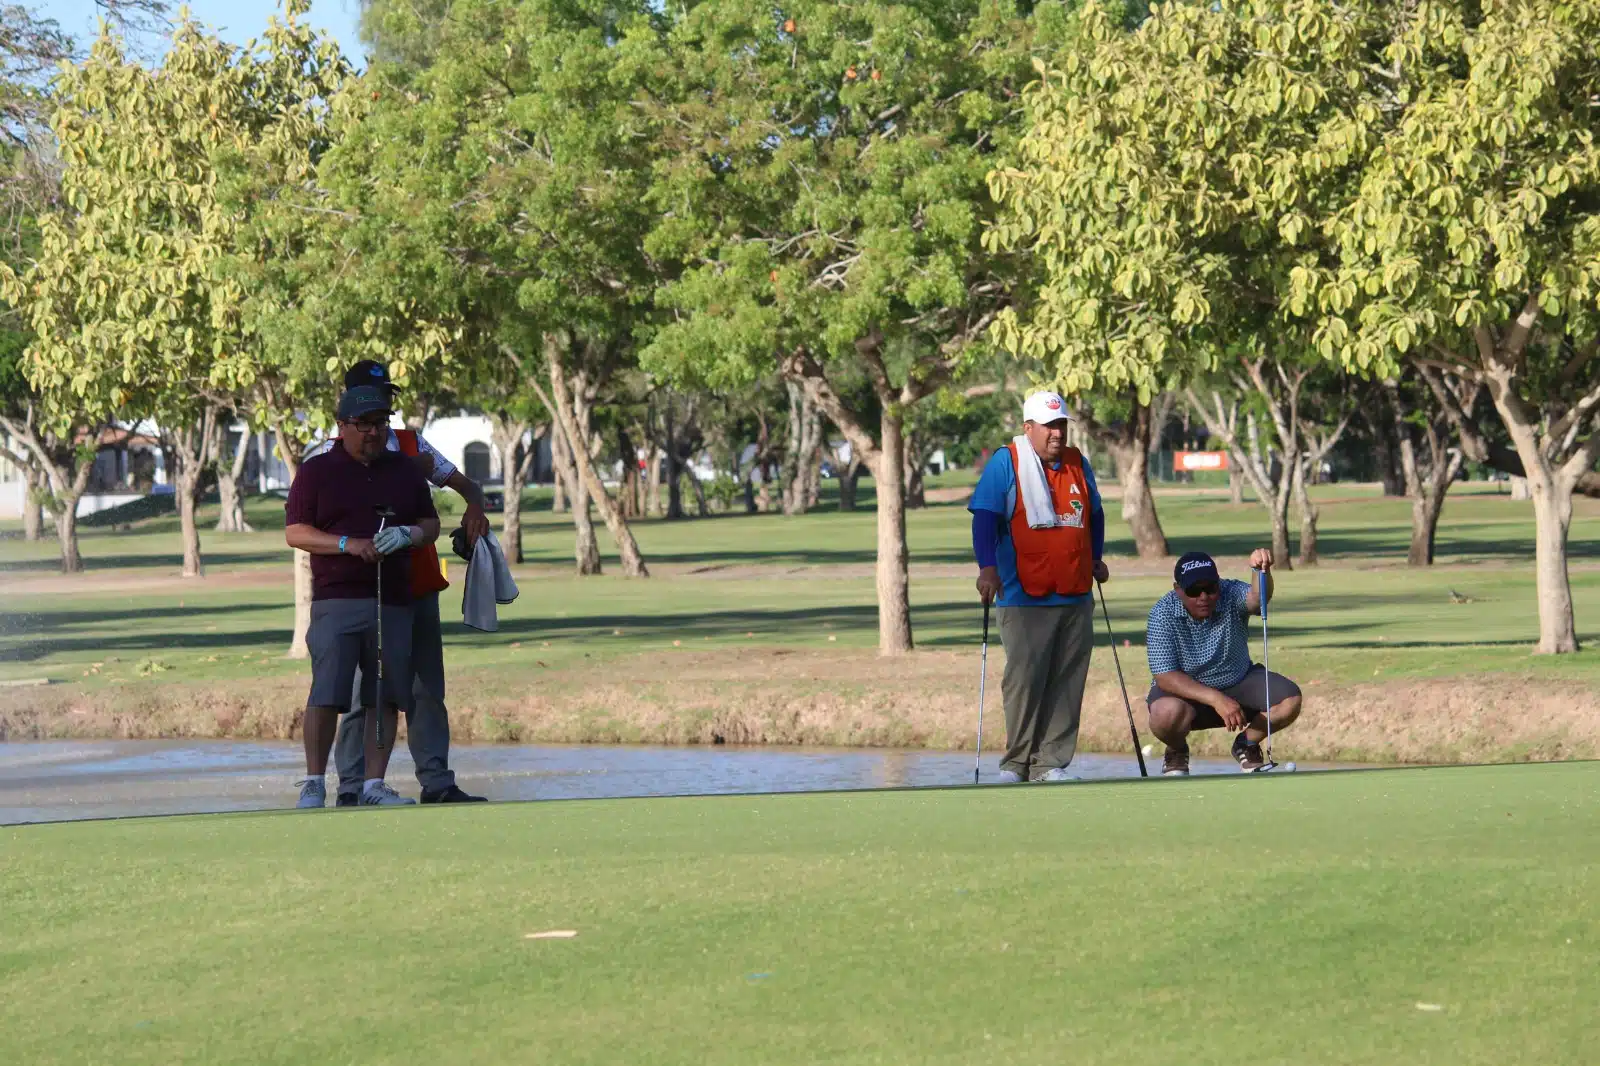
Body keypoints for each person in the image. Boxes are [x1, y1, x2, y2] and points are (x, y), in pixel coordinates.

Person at [306, 360, 491, 805]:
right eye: (371, 397)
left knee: (425, 687)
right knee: (358, 694)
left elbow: (464, 486)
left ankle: (437, 782)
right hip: (358, 590)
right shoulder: (329, 453)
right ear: (349, 404)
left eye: (385, 396)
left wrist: (475, 506)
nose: (382, 404)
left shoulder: (411, 445)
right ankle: (353, 787)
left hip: (416, 582)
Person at [285, 384, 441, 807]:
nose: (373, 433)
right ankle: (315, 783)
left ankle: (373, 786)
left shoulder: (405, 470)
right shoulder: (317, 471)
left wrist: (408, 534)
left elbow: (430, 523)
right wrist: (346, 544)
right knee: (328, 692)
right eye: (363, 425)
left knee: (385, 693)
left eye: (379, 423)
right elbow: (295, 532)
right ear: (342, 426)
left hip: (391, 598)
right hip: (337, 599)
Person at [969, 390, 1108, 782]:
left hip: (1075, 592)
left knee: (1067, 683)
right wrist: (988, 569)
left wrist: (1095, 556)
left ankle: (1050, 764)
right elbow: (984, 518)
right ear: (1028, 428)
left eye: (1061, 425)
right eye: (1049, 427)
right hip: (1023, 595)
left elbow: (1094, 516)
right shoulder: (1006, 462)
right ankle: (1016, 763)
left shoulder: (1078, 463)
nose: (1057, 434)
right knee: (1024, 682)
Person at [1143, 549, 1304, 775]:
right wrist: (1216, 698)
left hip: (1238, 680)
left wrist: (1260, 571)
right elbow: (1165, 676)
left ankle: (1246, 744)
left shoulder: (1229, 592)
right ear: (1178, 589)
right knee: (1164, 715)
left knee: (1290, 699)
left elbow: (1257, 600)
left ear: (1218, 584)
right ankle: (1177, 749)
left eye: (1210, 589)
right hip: (1186, 693)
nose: (1204, 597)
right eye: (1193, 591)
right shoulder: (1162, 613)